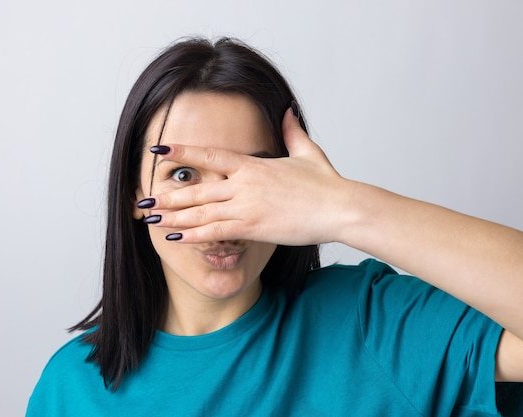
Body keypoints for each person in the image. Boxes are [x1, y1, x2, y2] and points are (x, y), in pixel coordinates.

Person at [26, 37, 523, 416]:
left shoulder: (372, 320)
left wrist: (342, 207)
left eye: (252, 176)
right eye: (184, 175)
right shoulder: (69, 387)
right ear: (136, 196)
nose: (222, 212)